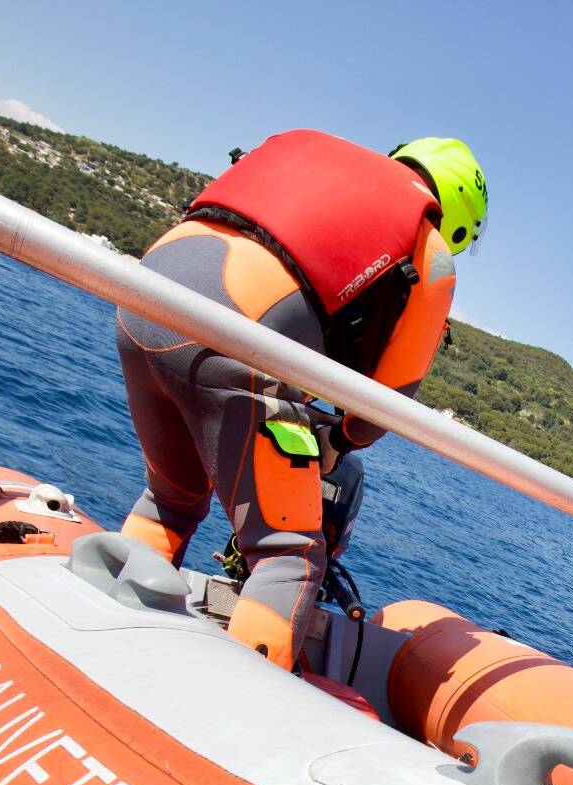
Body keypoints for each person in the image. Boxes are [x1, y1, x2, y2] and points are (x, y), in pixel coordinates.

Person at [116, 132, 487, 666]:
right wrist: (341, 438)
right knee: (287, 555)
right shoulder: (427, 244)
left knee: (170, 503)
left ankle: (100, 626)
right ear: (457, 217)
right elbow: (391, 395)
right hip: (238, 336)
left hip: (140, 298)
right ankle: (232, 718)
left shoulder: (325, 166)